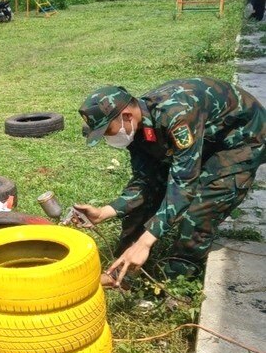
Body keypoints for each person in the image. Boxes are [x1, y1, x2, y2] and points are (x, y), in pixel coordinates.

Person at [76, 77, 265, 286]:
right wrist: (106, 211)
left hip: (241, 137)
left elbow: (183, 187)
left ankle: (175, 286)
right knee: (146, 200)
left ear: (127, 116)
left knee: (198, 213)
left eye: (107, 131)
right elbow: (145, 181)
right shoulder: (135, 128)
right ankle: (122, 273)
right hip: (205, 136)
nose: (108, 138)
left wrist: (145, 242)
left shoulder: (176, 116)